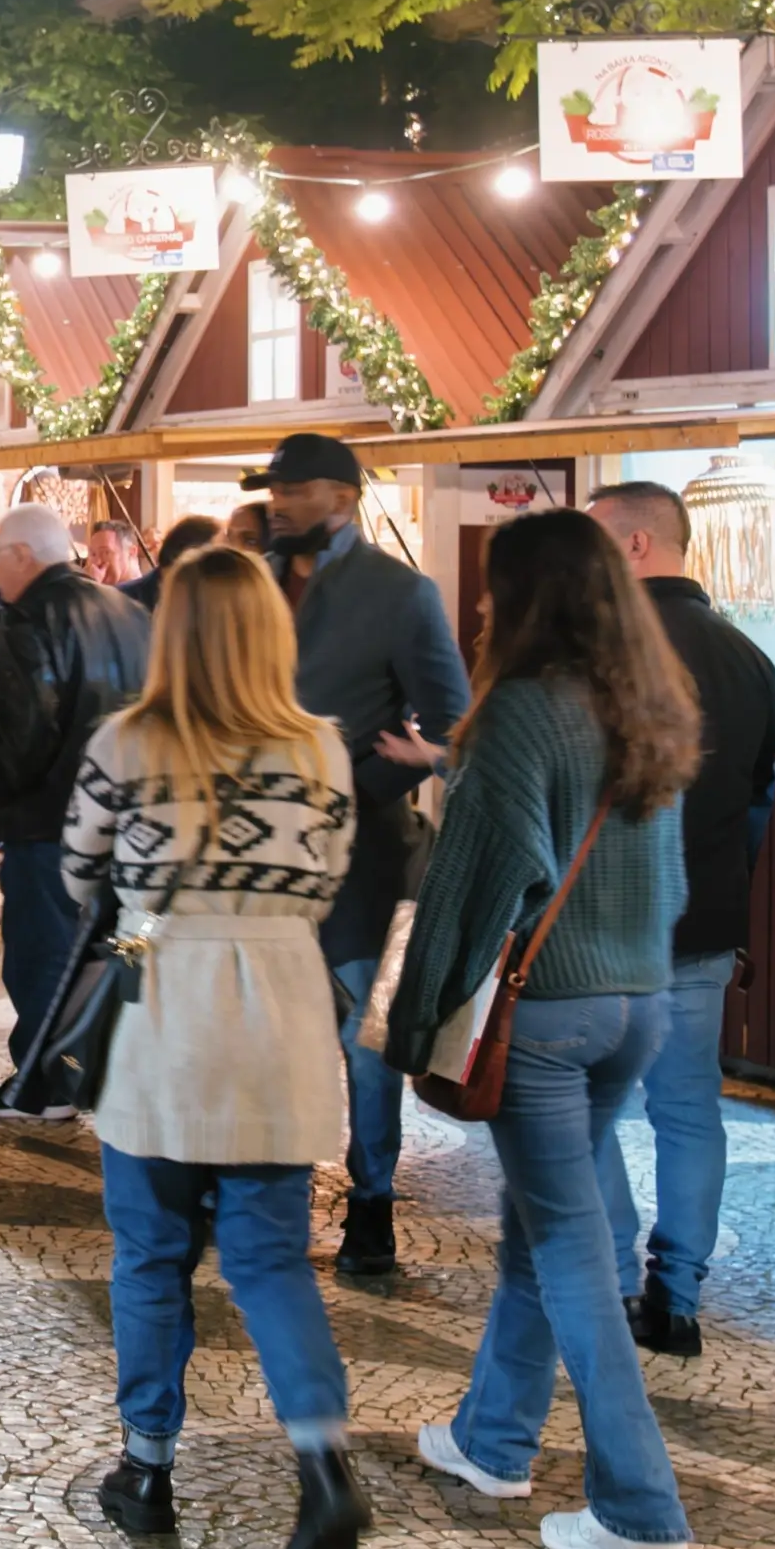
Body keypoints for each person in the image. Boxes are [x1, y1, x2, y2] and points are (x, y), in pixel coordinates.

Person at [396, 510, 700, 1549]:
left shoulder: (521, 710)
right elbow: (669, 879)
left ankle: (640, 1511)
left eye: (494, 588)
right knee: (540, 1228)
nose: (480, 605)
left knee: (572, 1246)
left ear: (530, 600)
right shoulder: (648, 705)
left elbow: (470, 885)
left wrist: (413, 1021)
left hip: (546, 1016)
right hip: (636, 1001)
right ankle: (492, 1441)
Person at [62, 546, 371, 1549]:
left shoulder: (126, 742)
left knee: (151, 1255)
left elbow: (80, 873)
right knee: (270, 1259)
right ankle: (323, 1465)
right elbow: (327, 877)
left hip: (164, 1006)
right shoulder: (322, 750)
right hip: (281, 1008)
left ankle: (147, 1469)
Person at [254, 433, 470, 1275]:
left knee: (363, 1040)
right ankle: (255, 1187)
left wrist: (355, 784)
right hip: (253, 854)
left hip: (360, 858)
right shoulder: (251, 583)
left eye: (294, 490)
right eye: (274, 489)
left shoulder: (400, 593)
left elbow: (450, 728)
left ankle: (371, 1199)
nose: (278, 503)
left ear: (342, 499)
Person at [585, 479, 775, 1353]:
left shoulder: (600, 654)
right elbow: (758, 802)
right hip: (703, 923)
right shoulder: (751, 661)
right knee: (690, 1111)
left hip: (601, 928)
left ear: (637, 545)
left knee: (582, 1108)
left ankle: (615, 1281)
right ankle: (680, 1297)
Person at [0, 504, 152, 1112]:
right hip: (128, 827)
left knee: (42, 956)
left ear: (23, 555)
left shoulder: (32, 620)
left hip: (50, 826)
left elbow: (24, 731)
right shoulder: (128, 613)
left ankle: (45, 1084)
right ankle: (94, 1073)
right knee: (111, 956)